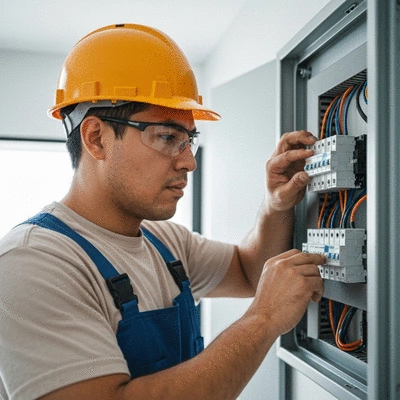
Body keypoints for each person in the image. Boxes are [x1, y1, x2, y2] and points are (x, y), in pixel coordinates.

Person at [0, 24, 325, 400]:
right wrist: (263, 320)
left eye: (189, 141)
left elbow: (251, 272)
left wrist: (276, 205)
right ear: (96, 138)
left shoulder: (165, 243)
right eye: (168, 137)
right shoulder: (33, 263)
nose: (189, 162)